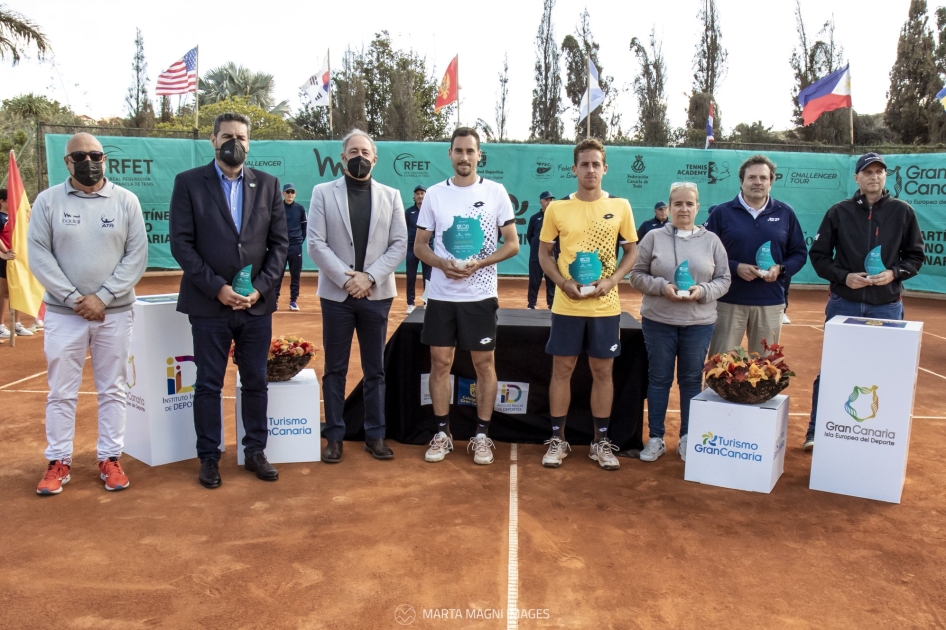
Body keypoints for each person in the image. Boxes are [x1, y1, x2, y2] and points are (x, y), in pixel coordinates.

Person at [170, 112, 288, 488]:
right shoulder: (188, 183)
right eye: (226, 136)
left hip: (255, 306)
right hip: (209, 306)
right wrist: (218, 288)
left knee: (255, 381)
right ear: (213, 140)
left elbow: (280, 245)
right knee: (208, 383)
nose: (232, 141)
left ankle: (255, 451)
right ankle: (209, 457)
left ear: (249, 143)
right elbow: (181, 244)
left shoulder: (268, 185)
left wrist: (261, 288)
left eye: (240, 136)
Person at [28, 132, 148, 494]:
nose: (88, 161)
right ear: (67, 162)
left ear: (104, 159)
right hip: (65, 314)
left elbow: (136, 255)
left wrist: (105, 297)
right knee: (61, 391)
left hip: (114, 312)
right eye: (79, 156)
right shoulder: (47, 202)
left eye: (95, 155)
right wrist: (73, 297)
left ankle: (110, 458)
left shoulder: (126, 201)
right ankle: (58, 461)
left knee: (113, 386)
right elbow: (38, 255)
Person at [412, 127, 519, 465]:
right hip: (441, 296)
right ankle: (442, 433)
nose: (464, 157)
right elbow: (420, 247)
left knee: (483, 363)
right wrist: (443, 264)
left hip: (480, 294)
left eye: (470, 151)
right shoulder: (434, 194)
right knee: (440, 363)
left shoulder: (496, 192)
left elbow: (512, 244)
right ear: (450, 154)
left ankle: (482, 435)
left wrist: (480, 264)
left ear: (479, 154)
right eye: (458, 151)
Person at [803, 152, 924, 450]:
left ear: (886, 177)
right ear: (856, 178)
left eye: (879, 171)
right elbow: (818, 257)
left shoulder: (903, 212)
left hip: (887, 305)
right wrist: (845, 277)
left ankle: (877, 435)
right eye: (867, 172)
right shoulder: (838, 212)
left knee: (883, 372)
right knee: (832, 370)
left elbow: (916, 257)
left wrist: (894, 273)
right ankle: (816, 431)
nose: (874, 176)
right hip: (844, 303)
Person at [537, 138, 638, 471]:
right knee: (562, 370)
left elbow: (631, 252)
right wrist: (563, 283)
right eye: (585, 164)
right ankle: (557, 439)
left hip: (605, 307)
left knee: (602, 372)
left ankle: (600, 442)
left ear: (604, 169)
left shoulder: (621, 206)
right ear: (574, 169)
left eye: (596, 164)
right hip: (567, 306)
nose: (590, 169)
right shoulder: (557, 208)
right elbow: (544, 254)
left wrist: (611, 282)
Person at [308, 129, 407, 463]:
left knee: (375, 370)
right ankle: (334, 436)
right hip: (337, 297)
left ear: (375, 158)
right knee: (334, 369)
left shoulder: (392, 195)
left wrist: (370, 278)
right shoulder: (323, 193)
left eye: (365, 152)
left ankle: (374, 436)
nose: (359, 157)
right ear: (342, 157)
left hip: (376, 295)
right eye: (353, 151)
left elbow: (399, 244)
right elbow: (316, 243)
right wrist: (346, 280)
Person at [629, 182, 731, 462]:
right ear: (669, 207)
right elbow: (636, 275)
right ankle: (656, 438)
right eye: (678, 204)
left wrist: (703, 291)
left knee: (690, 380)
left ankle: (688, 437)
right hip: (659, 321)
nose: (683, 209)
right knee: (659, 379)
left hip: (699, 323)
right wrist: (663, 287)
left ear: (698, 207)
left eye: (689, 204)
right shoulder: (652, 237)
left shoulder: (712, 241)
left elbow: (724, 279)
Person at [704, 155, 807, 357]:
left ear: (771, 182)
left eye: (763, 178)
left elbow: (799, 253)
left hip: (770, 302)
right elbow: (706, 254)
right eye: (751, 177)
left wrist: (781, 268)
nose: (757, 182)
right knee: (720, 367)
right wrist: (735, 267)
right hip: (727, 301)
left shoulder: (786, 213)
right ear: (742, 181)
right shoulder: (722, 212)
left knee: (765, 370)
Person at [0, 189, 33, 338]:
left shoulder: (14, 217)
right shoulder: (0, 217)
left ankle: (17, 324)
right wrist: (3, 253)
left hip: (17, 259)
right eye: (9, 200)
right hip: (4, 259)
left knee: (17, 290)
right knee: (4, 293)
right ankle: (0, 325)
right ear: (2, 201)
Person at [274, 182, 307, 311]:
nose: (290, 195)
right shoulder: (277, 208)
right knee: (277, 275)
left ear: (295, 194)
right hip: (280, 247)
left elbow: (305, 228)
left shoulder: (300, 209)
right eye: (287, 192)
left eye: (292, 192)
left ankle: (293, 301)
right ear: (283, 193)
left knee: (295, 275)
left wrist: (299, 241)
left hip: (295, 247)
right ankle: (275, 300)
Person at [526, 190, 556, 309]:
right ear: (541, 202)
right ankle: (531, 304)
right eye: (546, 200)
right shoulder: (534, 218)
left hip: (551, 257)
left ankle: (552, 305)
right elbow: (530, 236)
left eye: (551, 199)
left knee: (551, 282)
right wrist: (537, 249)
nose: (549, 202)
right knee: (534, 281)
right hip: (536, 256)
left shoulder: (555, 218)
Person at [404, 184, 431, 314]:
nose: (420, 196)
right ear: (414, 196)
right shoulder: (409, 212)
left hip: (428, 249)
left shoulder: (431, 211)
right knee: (410, 276)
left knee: (428, 276)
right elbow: (404, 230)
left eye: (422, 193)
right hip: (411, 249)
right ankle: (410, 303)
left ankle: (427, 302)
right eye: (417, 194)